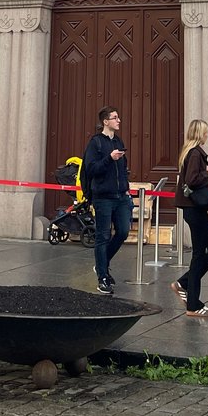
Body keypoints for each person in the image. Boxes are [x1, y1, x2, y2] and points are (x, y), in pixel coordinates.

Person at [172, 118, 208, 318]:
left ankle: (183, 284)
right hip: (194, 209)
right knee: (201, 253)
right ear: (199, 133)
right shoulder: (194, 154)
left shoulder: (191, 152)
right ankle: (193, 305)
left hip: (194, 209)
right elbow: (192, 179)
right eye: (205, 132)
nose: (207, 135)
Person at [82, 105, 132, 295]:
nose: (118, 120)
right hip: (103, 197)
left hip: (121, 196)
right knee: (103, 236)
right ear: (105, 121)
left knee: (123, 232)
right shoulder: (96, 143)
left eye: (118, 117)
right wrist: (109, 159)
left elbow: (123, 168)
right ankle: (102, 277)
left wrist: (126, 188)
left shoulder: (118, 140)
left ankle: (102, 264)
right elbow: (91, 169)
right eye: (115, 117)